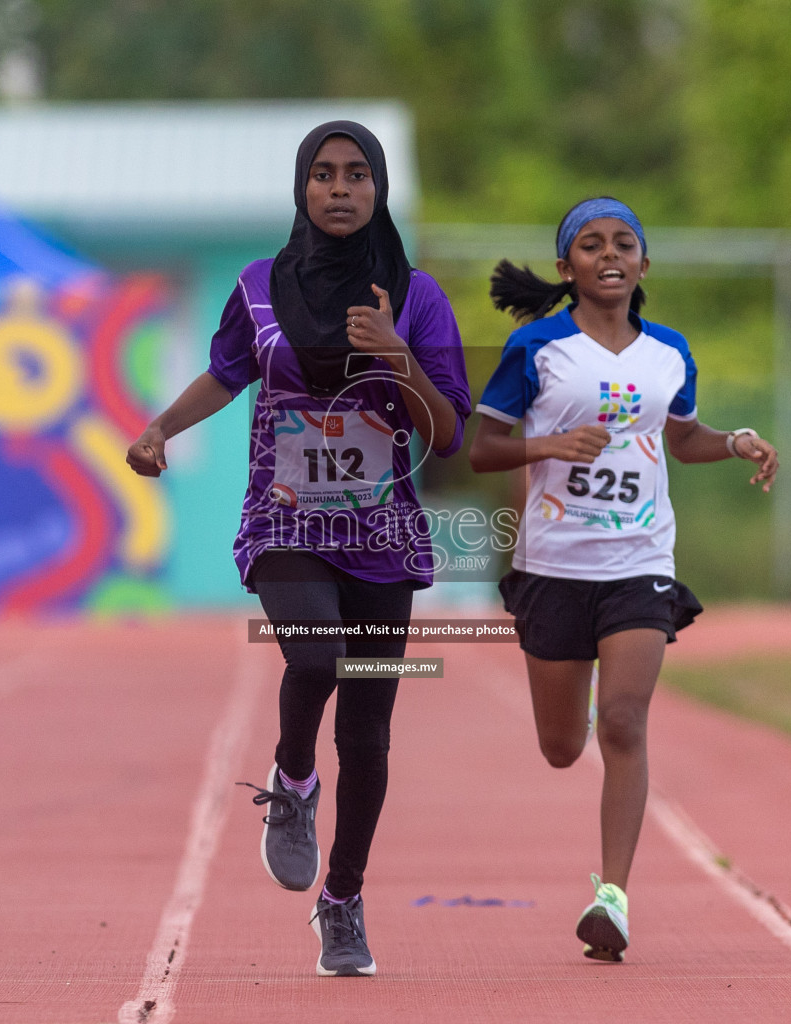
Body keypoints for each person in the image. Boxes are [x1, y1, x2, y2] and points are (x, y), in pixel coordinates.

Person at [126, 121, 470, 977]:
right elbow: (227, 371)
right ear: (301, 190)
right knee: (313, 659)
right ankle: (290, 784)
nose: (340, 189)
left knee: (369, 735)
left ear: (379, 189)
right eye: (323, 175)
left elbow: (449, 432)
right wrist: (160, 427)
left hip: (382, 532)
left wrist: (396, 357)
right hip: (285, 519)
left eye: (357, 174)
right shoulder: (257, 286)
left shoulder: (415, 296)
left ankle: (343, 901)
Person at [467, 197, 778, 963]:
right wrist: (550, 444)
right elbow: (481, 449)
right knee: (561, 747)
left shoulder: (669, 353)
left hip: (640, 561)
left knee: (625, 722)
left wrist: (734, 440)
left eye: (623, 243)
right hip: (554, 567)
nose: (609, 254)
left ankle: (611, 897)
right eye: (591, 244)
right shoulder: (536, 348)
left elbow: (681, 439)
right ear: (566, 267)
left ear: (643, 264)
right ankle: (584, 718)